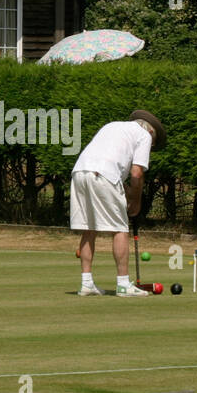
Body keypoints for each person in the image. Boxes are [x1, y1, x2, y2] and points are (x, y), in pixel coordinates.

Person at [71, 109, 166, 297]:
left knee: (89, 228)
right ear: (151, 133)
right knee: (120, 229)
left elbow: (113, 163)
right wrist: (136, 202)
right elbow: (137, 173)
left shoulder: (113, 126)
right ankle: (123, 284)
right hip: (103, 175)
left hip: (79, 172)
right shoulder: (145, 136)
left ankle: (86, 283)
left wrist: (127, 192)